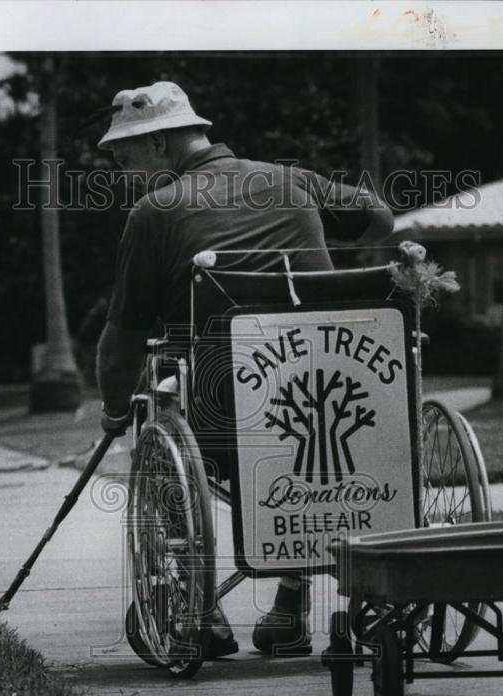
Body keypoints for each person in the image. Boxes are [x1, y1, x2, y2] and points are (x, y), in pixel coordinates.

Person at [95, 80, 394, 657]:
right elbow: (378, 219)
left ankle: (202, 609)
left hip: (223, 413)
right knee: (308, 433)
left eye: (124, 153)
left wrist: (113, 411)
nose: (120, 166)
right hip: (336, 401)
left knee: (161, 447)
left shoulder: (154, 212)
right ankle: (288, 605)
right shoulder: (292, 180)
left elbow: (123, 335)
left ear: (160, 144)